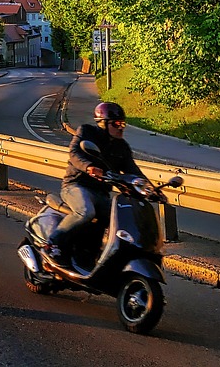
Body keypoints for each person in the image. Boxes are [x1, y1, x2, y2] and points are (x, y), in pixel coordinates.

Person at [47, 101, 146, 263]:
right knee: (86, 211)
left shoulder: (122, 147)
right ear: (103, 123)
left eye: (123, 124)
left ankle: (89, 252)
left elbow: (133, 171)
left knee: (117, 219)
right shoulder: (86, 132)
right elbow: (74, 152)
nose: (121, 127)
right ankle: (53, 242)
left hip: (100, 192)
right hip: (75, 185)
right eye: (116, 124)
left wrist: (153, 190)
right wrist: (89, 167)